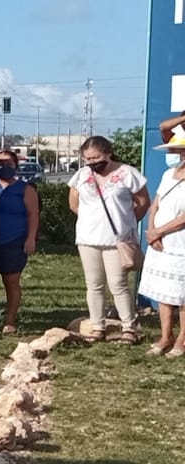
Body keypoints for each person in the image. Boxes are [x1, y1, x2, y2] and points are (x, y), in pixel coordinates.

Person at [67, 135, 150, 344]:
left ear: (108, 153)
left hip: (117, 240)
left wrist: (126, 222)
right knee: (94, 284)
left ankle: (129, 328)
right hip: (88, 238)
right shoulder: (81, 175)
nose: (92, 162)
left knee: (118, 284)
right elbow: (74, 204)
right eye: (88, 159)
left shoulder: (127, 173)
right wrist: (92, 220)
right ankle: (98, 326)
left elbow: (142, 202)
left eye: (96, 157)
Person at [0, 150, 39, 334]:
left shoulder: (25, 189)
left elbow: (33, 215)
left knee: (11, 282)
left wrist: (31, 238)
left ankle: (10, 320)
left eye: (9, 164)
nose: (4, 168)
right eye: (1, 164)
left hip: (13, 241)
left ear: (16, 167)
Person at [140, 137, 185, 355]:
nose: (180, 154)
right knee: (164, 292)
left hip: (180, 242)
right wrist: (151, 231)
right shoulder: (169, 174)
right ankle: (166, 336)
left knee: (182, 293)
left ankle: (182, 340)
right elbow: (155, 204)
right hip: (159, 243)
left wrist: (160, 231)